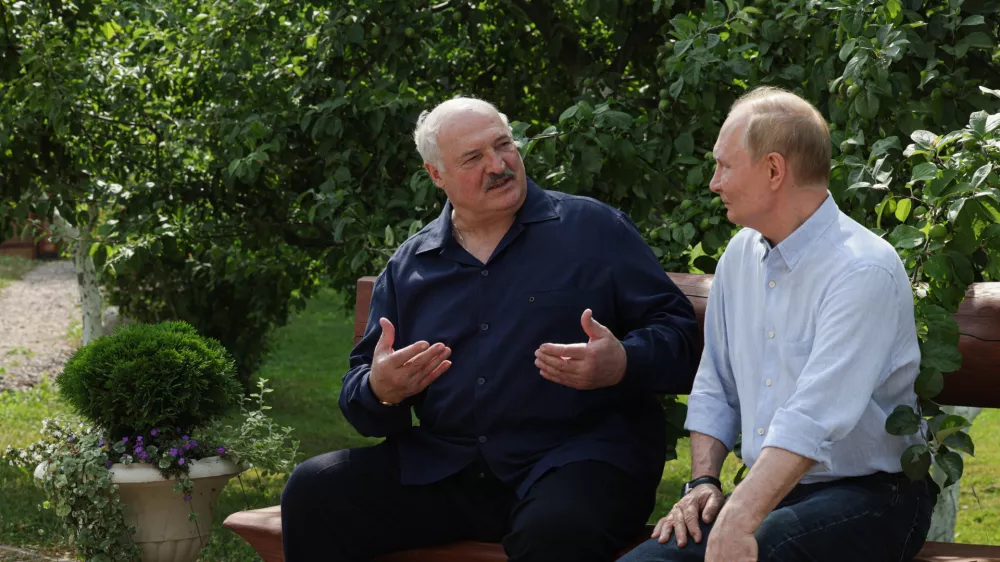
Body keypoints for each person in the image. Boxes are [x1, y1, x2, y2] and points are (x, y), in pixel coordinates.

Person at [279, 96, 702, 562]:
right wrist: (381, 388)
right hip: (450, 468)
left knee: (555, 532)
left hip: (577, 459)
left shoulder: (594, 230)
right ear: (436, 175)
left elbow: (679, 334)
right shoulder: (412, 266)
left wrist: (624, 361)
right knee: (315, 490)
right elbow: (361, 395)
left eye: (504, 146)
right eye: (474, 158)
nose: (498, 165)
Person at [620, 86, 934, 562]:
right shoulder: (739, 255)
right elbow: (716, 385)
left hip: (876, 497)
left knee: (767, 548)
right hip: (771, 495)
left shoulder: (863, 268)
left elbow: (813, 417)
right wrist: (703, 482)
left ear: (773, 170)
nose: (713, 182)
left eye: (724, 165)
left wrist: (740, 517)